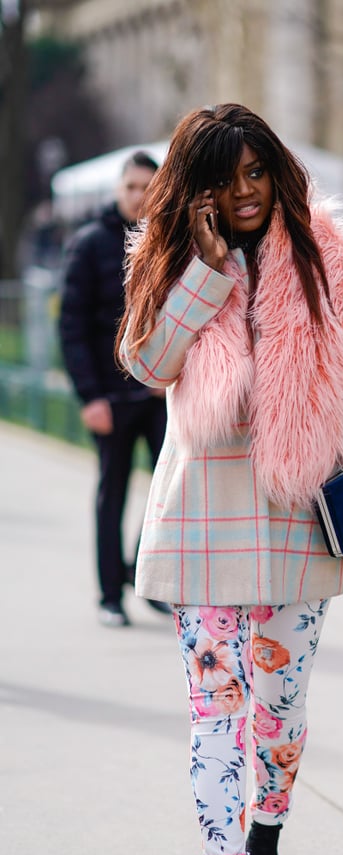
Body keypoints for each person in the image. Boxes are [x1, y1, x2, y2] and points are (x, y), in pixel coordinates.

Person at [116, 104, 343, 855]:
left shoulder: (321, 260)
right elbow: (144, 364)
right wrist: (202, 275)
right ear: (194, 186)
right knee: (213, 717)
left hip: (294, 515)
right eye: (225, 176)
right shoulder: (170, 260)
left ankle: (267, 829)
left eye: (256, 173)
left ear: (275, 172)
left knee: (277, 714)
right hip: (204, 516)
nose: (244, 192)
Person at [59, 150, 170, 627]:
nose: (139, 197)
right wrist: (89, 398)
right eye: (132, 188)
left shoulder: (169, 242)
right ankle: (110, 594)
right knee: (113, 493)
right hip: (108, 397)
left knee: (167, 493)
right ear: (118, 190)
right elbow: (72, 326)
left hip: (157, 395)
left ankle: (144, 579)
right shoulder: (89, 244)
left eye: (149, 188)